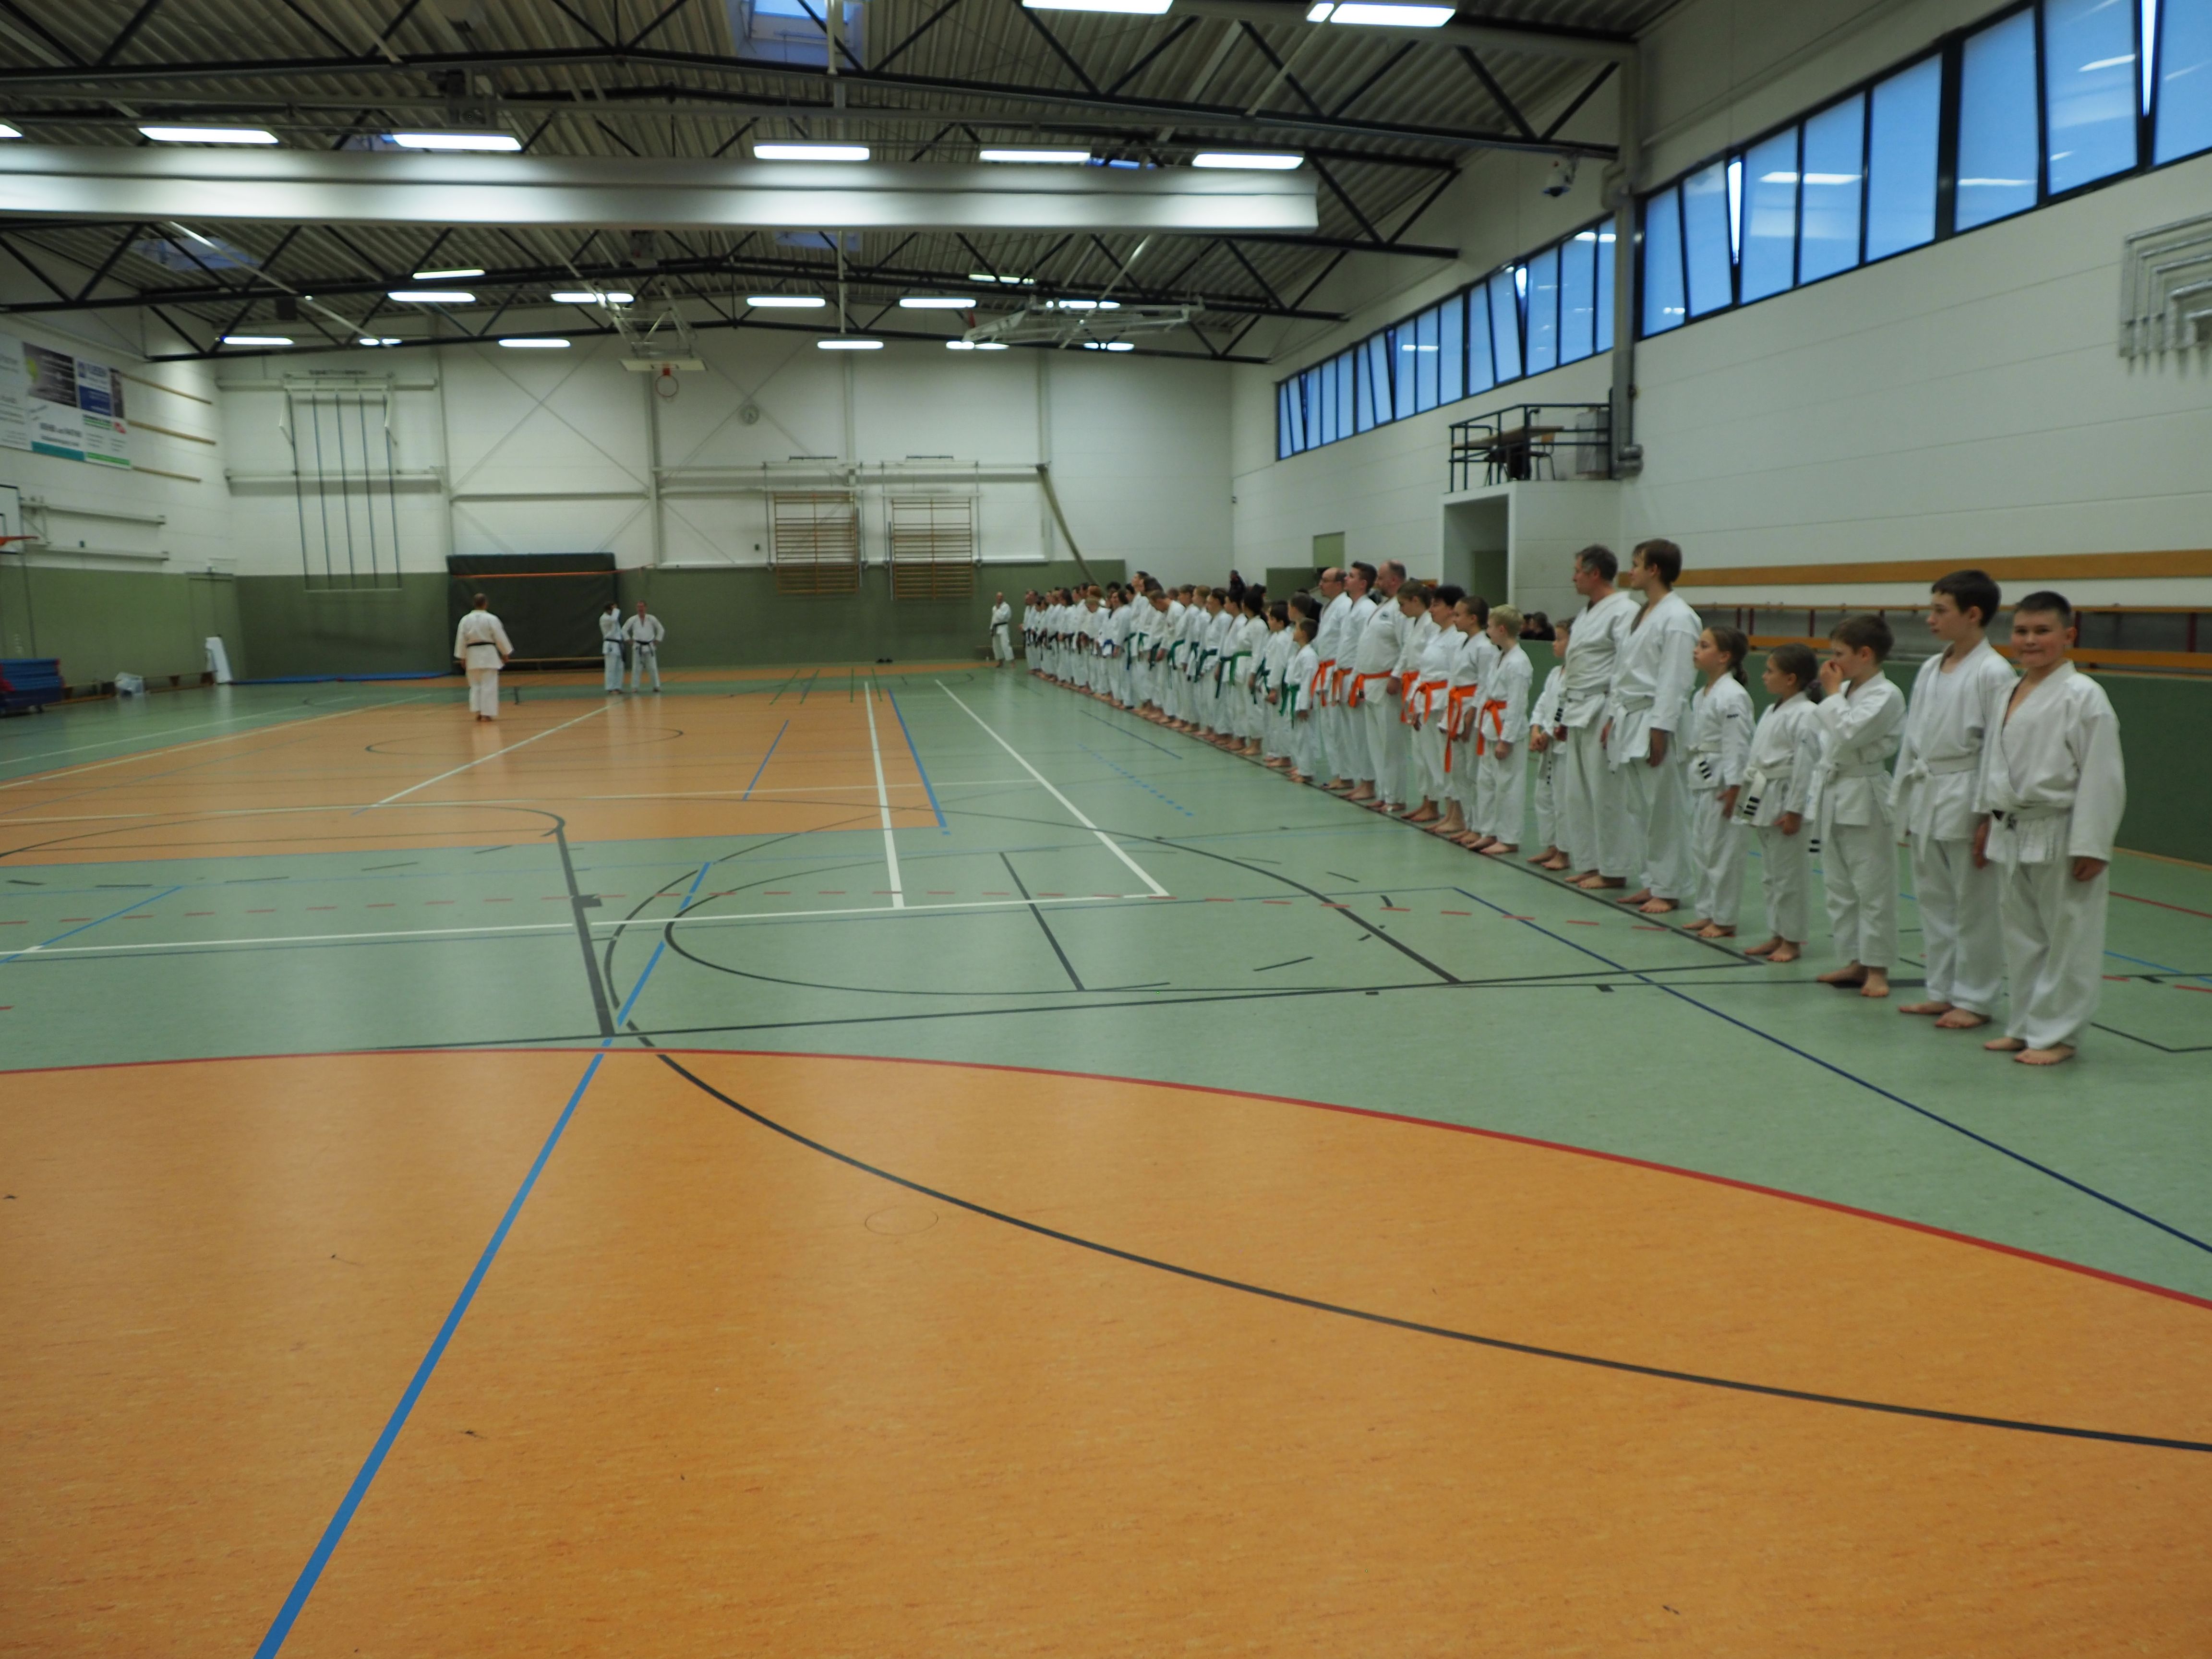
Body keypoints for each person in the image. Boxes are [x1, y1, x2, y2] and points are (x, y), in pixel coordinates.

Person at [1976, 591, 2127, 1066]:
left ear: (2068, 636)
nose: (2030, 640)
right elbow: (1992, 762)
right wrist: (1984, 818)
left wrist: (2093, 844)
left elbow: (2102, 774)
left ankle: (2058, 1035)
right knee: (2022, 937)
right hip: (2011, 825)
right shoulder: (2007, 690)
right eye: (2022, 631)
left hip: (2061, 827)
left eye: (2042, 631)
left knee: (2068, 939)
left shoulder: (2084, 695)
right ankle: (2024, 1027)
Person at [1893, 570, 2017, 1030]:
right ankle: (1941, 990)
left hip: (1967, 792)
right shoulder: (1931, 666)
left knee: (1975, 907)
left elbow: (1998, 748)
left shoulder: (1994, 671)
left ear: (1973, 615)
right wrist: (1901, 804)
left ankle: (1976, 998)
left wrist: (1988, 815)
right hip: (1927, 788)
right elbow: (1911, 740)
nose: (1930, 619)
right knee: (1934, 901)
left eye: (1940, 611)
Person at [1602, 539, 1702, 914]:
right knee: (1638, 808)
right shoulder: (1643, 613)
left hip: (1656, 719)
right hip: (1630, 716)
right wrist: (1612, 715)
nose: (1630, 571)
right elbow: (1623, 671)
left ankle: (1670, 887)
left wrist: (1662, 728)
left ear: (1654, 569)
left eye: (1636, 564)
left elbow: (1676, 678)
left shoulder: (1678, 617)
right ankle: (1652, 881)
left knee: (1665, 809)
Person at [1812, 613, 1907, 999]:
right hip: (1833, 790)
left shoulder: (1887, 694)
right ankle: (1854, 960)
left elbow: (1849, 733)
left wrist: (1832, 693)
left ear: (1865, 654)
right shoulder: (1849, 691)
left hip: (1865, 792)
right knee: (1839, 886)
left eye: (1840, 654)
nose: (1832, 662)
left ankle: (1878, 969)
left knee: (1873, 887)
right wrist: (1838, 694)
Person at [1557, 547, 1640, 887]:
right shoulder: (1586, 612)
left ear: (1594, 574)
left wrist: (1615, 715)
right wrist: (1563, 714)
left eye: (1578, 571)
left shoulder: (1624, 610)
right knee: (1578, 795)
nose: (1573, 577)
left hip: (1604, 706)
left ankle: (1614, 870)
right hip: (1577, 706)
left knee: (1607, 794)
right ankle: (1591, 863)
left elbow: (1626, 665)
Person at [1739, 643, 1822, 964]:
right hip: (1766, 795)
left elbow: (1806, 766)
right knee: (1771, 876)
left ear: (1791, 679)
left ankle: (1792, 940)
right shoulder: (1774, 709)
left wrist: (1795, 810)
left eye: (1770, 671)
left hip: (1788, 799)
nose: (1764, 676)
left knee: (1790, 877)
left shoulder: (1807, 713)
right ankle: (1777, 933)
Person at [1682, 625, 1754, 938]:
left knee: (1723, 853)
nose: (1696, 650)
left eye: (1704, 646)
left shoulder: (1733, 695)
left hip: (1724, 782)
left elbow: (1738, 744)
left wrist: (1736, 786)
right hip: (1703, 775)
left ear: (1724, 657)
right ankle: (1707, 911)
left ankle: (1724, 919)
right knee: (1702, 849)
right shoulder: (1702, 694)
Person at [1473, 605, 1532, 855]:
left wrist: (1506, 740)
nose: (1487, 630)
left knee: (1509, 785)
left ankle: (1509, 838)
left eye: (1489, 626)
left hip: (1508, 728)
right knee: (1486, 782)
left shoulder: (1519, 662)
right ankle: (1489, 832)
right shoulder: (1500, 657)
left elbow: (1517, 705)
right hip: (1491, 724)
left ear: (1502, 629)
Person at [1525, 615, 1569, 866]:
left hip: (1563, 745)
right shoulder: (1554, 673)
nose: (1554, 644)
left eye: (1560, 639)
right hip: (1547, 744)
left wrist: (1548, 733)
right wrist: (1535, 730)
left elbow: (1566, 710)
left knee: (1563, 800)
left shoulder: (1577, 675)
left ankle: (1564, 851)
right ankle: (1551, 846)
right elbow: (1542, 704)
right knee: (1543, 797)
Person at [454, 593, 513, 721]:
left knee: (475, 685)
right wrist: (505, 653)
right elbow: (499, 636)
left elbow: (461, 639)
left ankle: (478, 711)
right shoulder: (492, 619)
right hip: (489, 655)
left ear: (474, 604)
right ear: (486, 604)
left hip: (472, 655)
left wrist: (462, 657)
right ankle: (487, 714)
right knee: (489, 685)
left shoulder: (465, 620)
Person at [1286, 615, 1323, 784]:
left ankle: (1307, 772)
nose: (1294, 632)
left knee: (1305, 737)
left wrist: (1304, 706)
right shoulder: (1300, 652)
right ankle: (1302, 768)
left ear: (1304, 634)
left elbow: (1309, 681)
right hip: (1296, 695)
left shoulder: (1309, 655)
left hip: (1303, 697)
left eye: (1297, 629)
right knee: (1298, 737)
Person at [624, 600, 665, 692]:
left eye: (642, 607)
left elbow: (661, 629)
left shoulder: (652, 619)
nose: (640, 609)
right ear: (637, 608)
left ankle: (656, 686)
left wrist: (658, 640)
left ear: (646, 608)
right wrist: (629, 640)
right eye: (639, 607)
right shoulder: (633, 619)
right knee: (636, 668)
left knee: (653, 668)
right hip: (638, 646)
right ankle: (635, 687)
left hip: (650, 646)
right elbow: (624, 630)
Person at [599, 601, 626, 695]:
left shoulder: (613, 618)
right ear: (608, 610)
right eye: (612, 609)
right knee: (611, 667)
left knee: (620, 667)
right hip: (610, 645)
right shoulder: (604, 618)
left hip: (618, 644)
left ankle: (618, 687)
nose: (614, 611)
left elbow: (617, 628)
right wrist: (616, 610)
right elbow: (614, 619)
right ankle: (610, 688)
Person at [988, 592, 1012, 668]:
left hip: (1003, 626)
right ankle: (1000, 662)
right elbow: (994, 619)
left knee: (1006, 645)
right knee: (996, 646)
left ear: (1003, 598)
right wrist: (991, 629)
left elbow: (1002, 617)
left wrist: (998, 609)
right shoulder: (994, 608)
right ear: (996, 598)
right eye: (998, 597)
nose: (1000, 598)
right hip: (996, 628)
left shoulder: (1006, 606)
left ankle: (1012, 662)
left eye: (1001, 597)